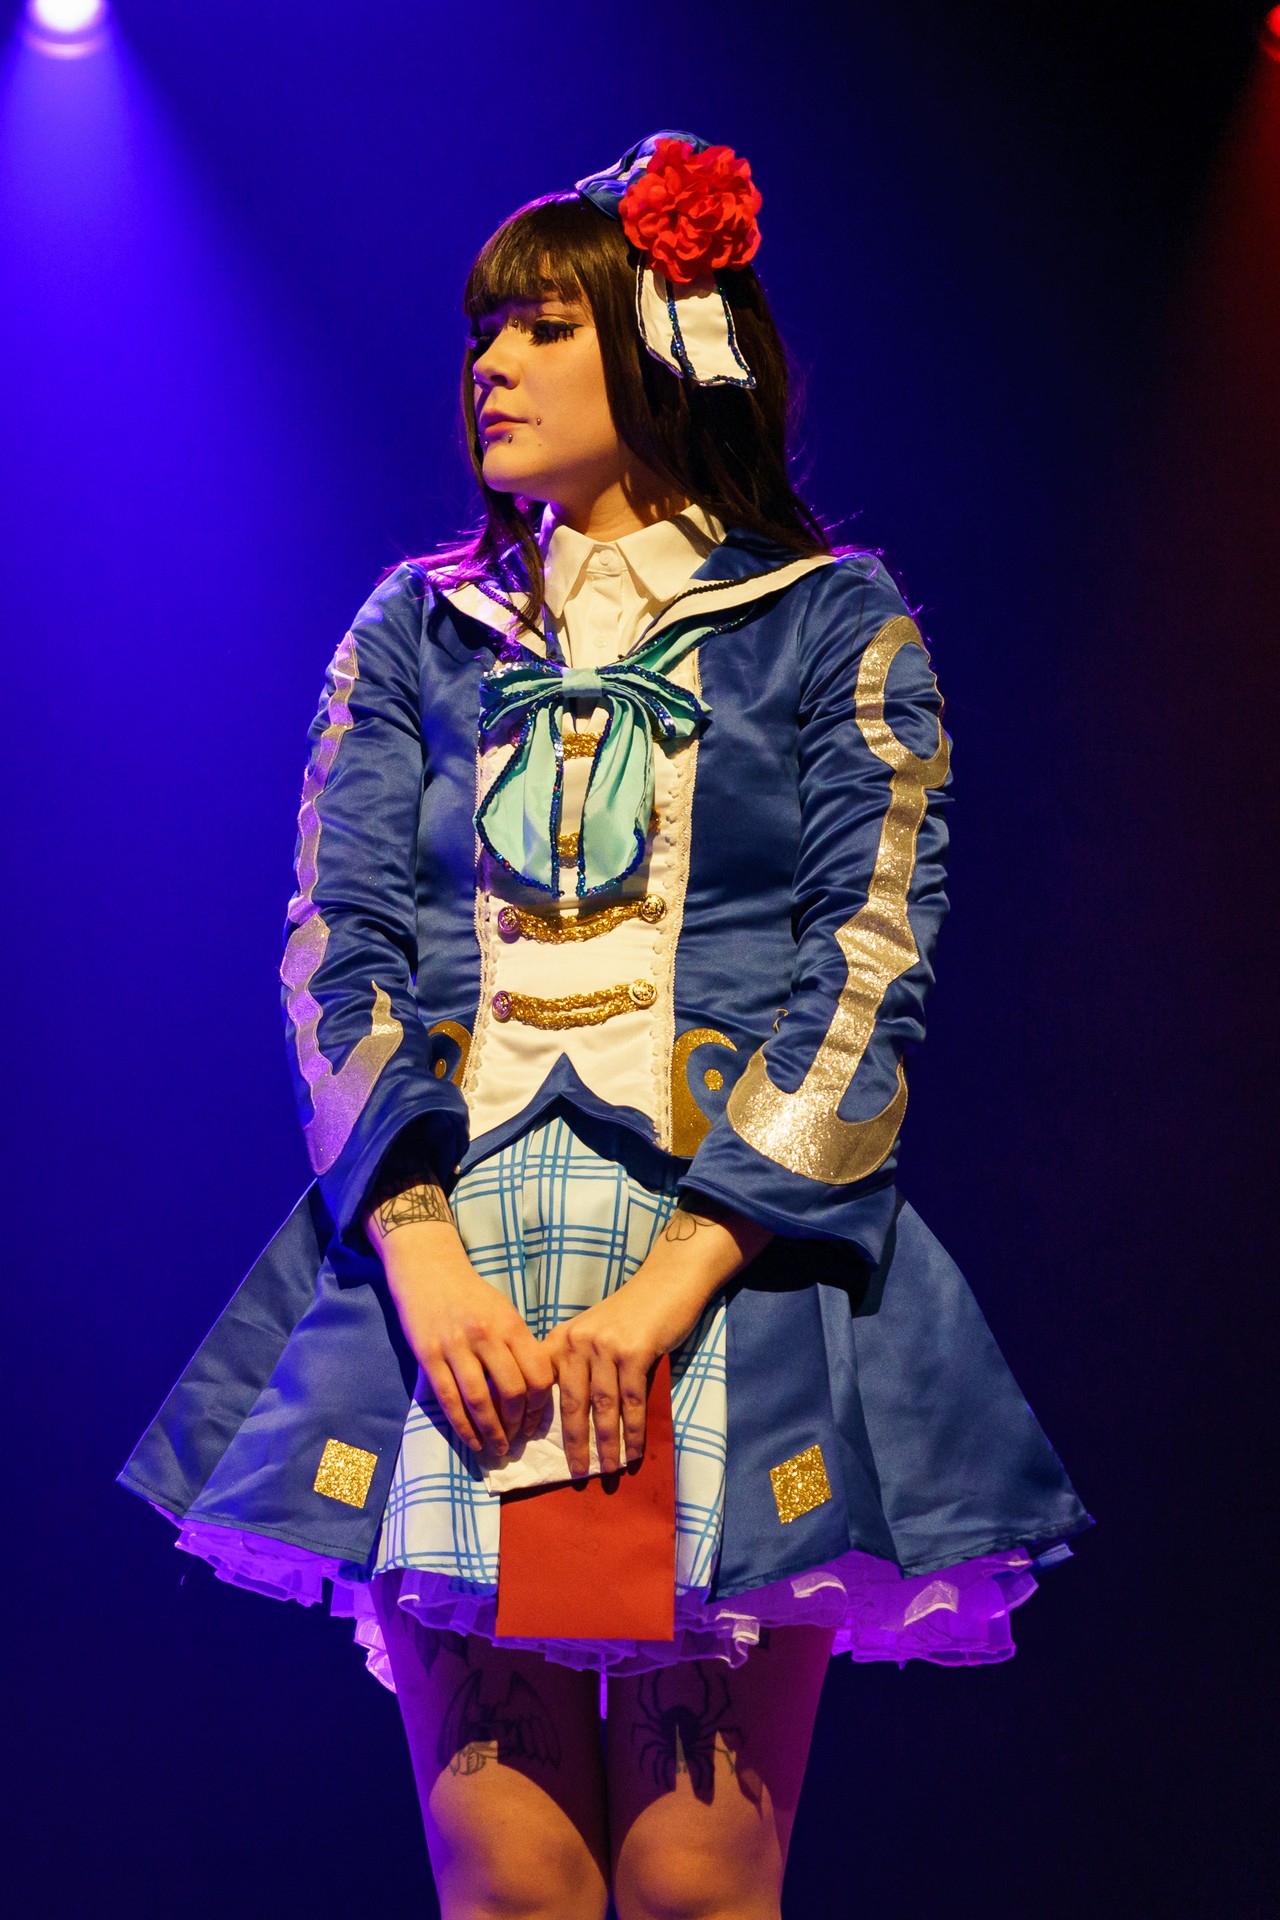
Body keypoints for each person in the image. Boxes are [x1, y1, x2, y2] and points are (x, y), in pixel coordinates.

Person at [121, 133, 1091, 1920]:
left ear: (662, 350)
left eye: (541, 328)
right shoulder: (420, 634)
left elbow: (866, 963)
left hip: (728, 1271)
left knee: (696, 1882)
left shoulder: (826, 626)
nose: (488, 365)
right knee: (510, 1886)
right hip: (461, 1274)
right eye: (481, 332)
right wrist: (424, 1260)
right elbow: (337, 944)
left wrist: (667, 1293)